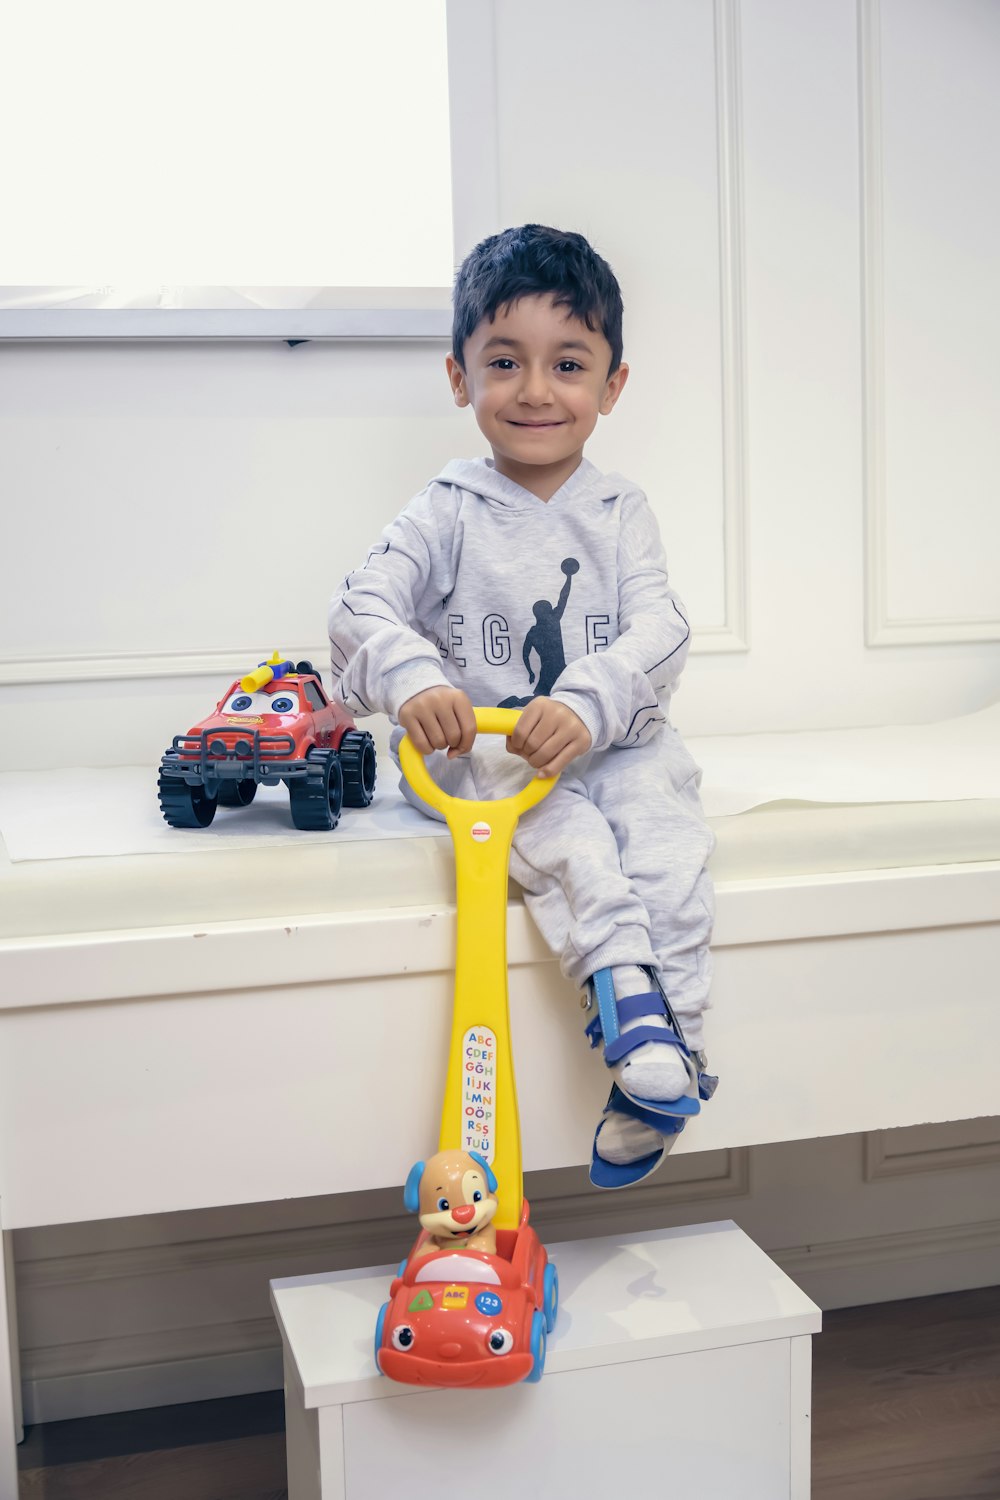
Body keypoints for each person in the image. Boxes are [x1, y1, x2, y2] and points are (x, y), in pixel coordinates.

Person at [328, 224, 716, 1187]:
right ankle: (628, 1011)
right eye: (505, 362)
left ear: (612, 386)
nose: (536, 389)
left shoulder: (622, 513)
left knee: (668, 842)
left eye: (568, 364)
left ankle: (674, 1064)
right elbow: (358, 606)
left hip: (614, 740)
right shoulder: (447, 508)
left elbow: (661, 631)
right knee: (575, 840)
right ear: (461, 378)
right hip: (496, 762)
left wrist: (587, 703)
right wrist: (419, 680)